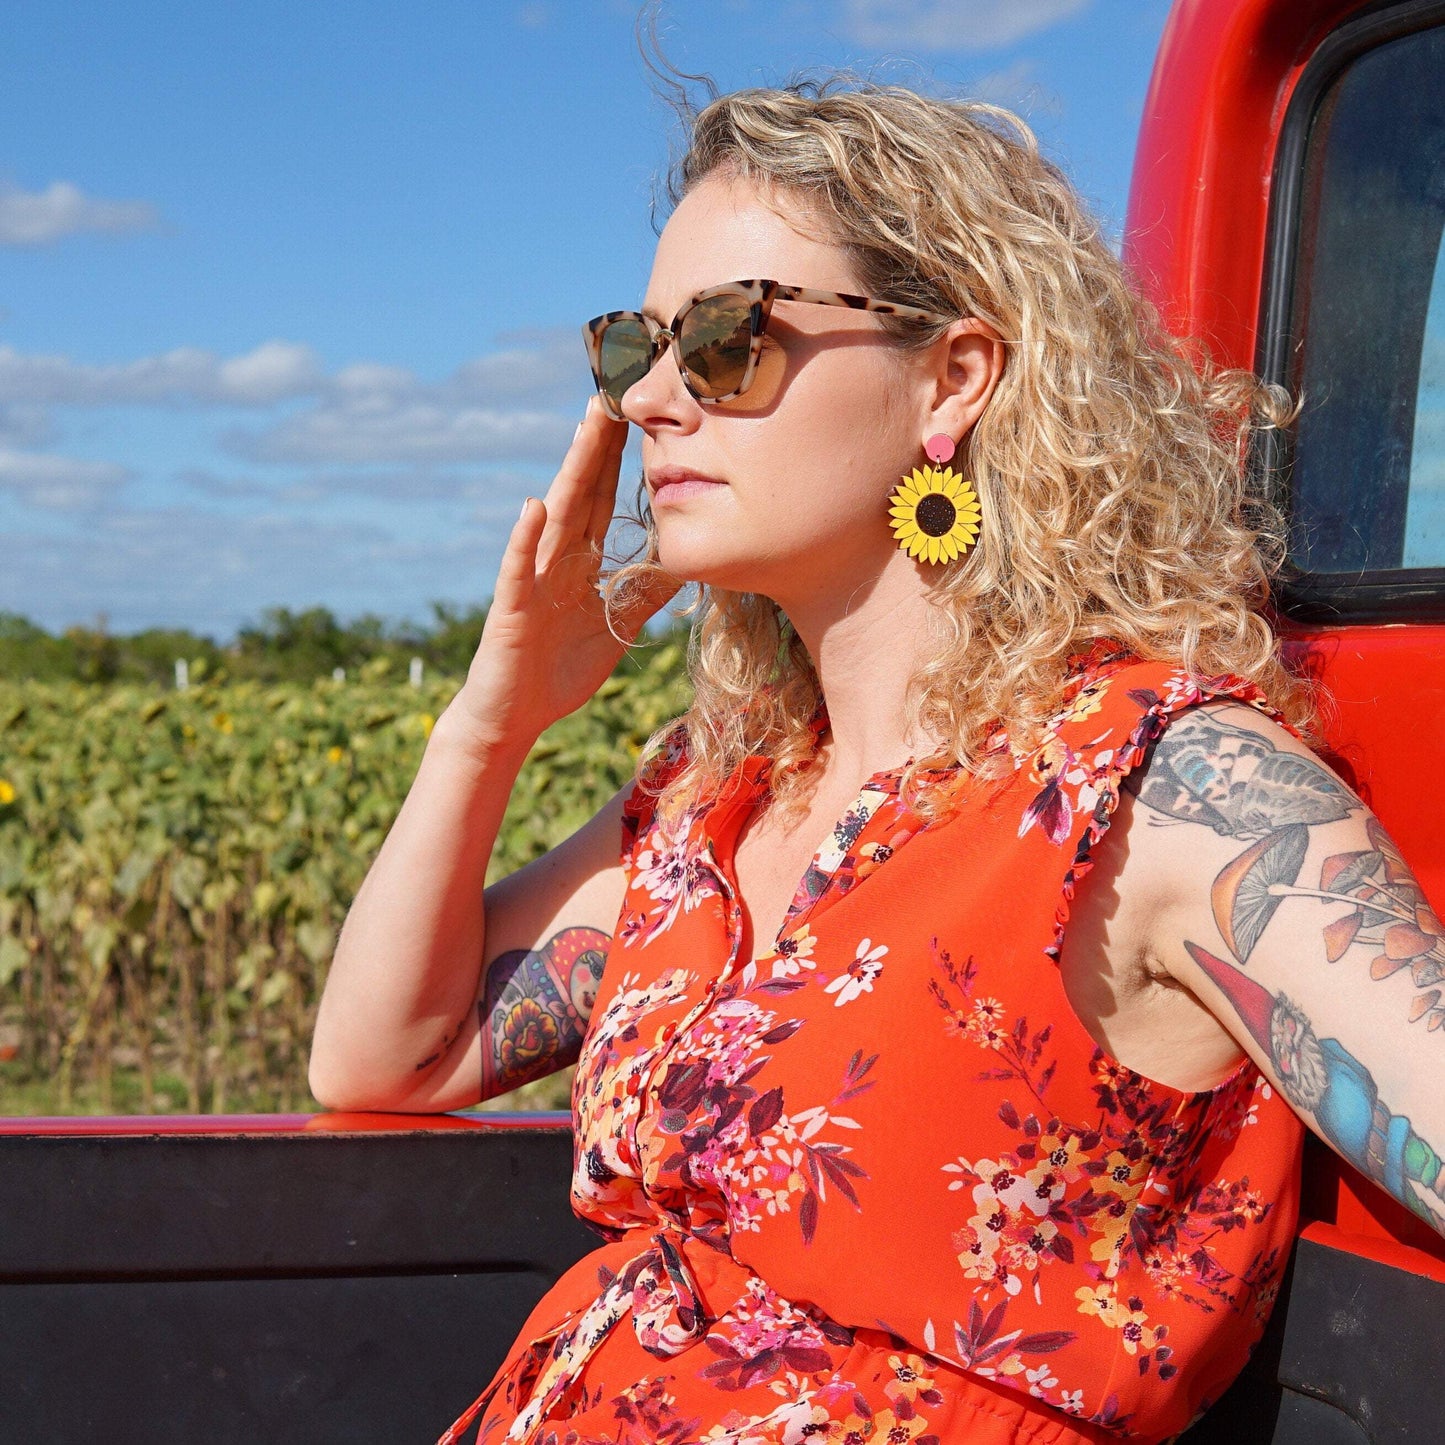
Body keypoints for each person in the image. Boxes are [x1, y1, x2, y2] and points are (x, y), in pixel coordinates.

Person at [308, 80, 1445, 1445]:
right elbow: (387, 1055)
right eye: (632, 349)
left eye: (727, 339)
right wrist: (490, 720)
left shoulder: (1159, 790)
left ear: (952, 378)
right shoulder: (713, 795)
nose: (655, 402)